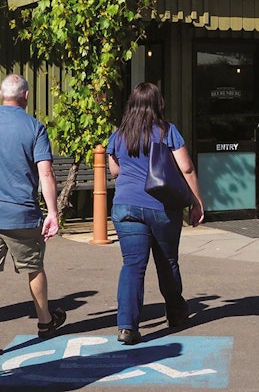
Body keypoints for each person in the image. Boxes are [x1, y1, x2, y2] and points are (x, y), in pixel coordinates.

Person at [0, 73, 66, 359]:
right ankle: (45, 321)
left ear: (1, 95)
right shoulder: (34, 127)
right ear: (26, 96)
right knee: (34, 267)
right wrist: (53, 212)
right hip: (22, 213)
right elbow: (46, 172)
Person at [105, 82, 204, 345]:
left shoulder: (119, 135)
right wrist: (197, 203)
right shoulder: (167, 131)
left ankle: (127, 326)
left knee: (132, 265)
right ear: (158, 104)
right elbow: (187, 168)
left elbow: (114, 170)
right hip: (161, 207)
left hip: (126, 207)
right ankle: (176, 313)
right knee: (167, 261)